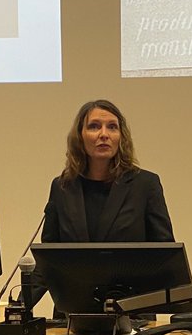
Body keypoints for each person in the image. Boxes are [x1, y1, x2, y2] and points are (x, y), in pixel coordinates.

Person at [40, 99, 174, 244]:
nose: (104, 134)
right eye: (94, 126)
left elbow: (164, 252)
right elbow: (49, 253)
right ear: (80, 136)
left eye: (112, 127)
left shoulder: (145, 185)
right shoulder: (62, 187)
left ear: (121, 137)